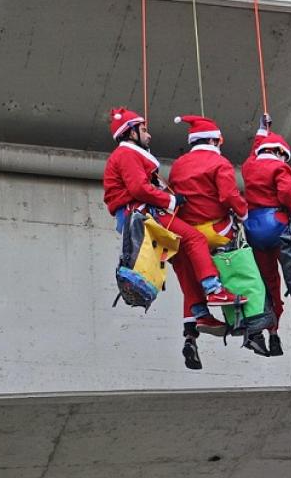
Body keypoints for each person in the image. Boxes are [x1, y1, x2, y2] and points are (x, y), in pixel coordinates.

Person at [102, 108, 245, 371]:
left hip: (137, 215)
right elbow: (138, 188)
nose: (149, 135)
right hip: (143, 213)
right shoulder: (127, 154)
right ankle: (214, 290)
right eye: (144, 130)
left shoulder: (127, 155)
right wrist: (170, 200)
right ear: (130, 133)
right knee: (195, 239)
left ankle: (196, 323)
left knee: (185, 265)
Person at [167, 114, 251, 361]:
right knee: (239, 260)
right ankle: (244, 319)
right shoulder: (219, 163)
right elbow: (229, 196)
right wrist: (244, 214)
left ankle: (191, 333)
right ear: (214, 140)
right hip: (215, 232)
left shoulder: (178, 165)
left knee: (189, 275)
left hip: (182, 232)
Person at [240, 114, 291, 357]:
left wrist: (262, 131)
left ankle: (272, 331)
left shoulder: (249, 166)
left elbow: (255, 152)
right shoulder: (280, 167)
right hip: (278, 227)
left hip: (254, 230)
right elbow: (289, 196)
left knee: (268, 282)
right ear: (280, 152)